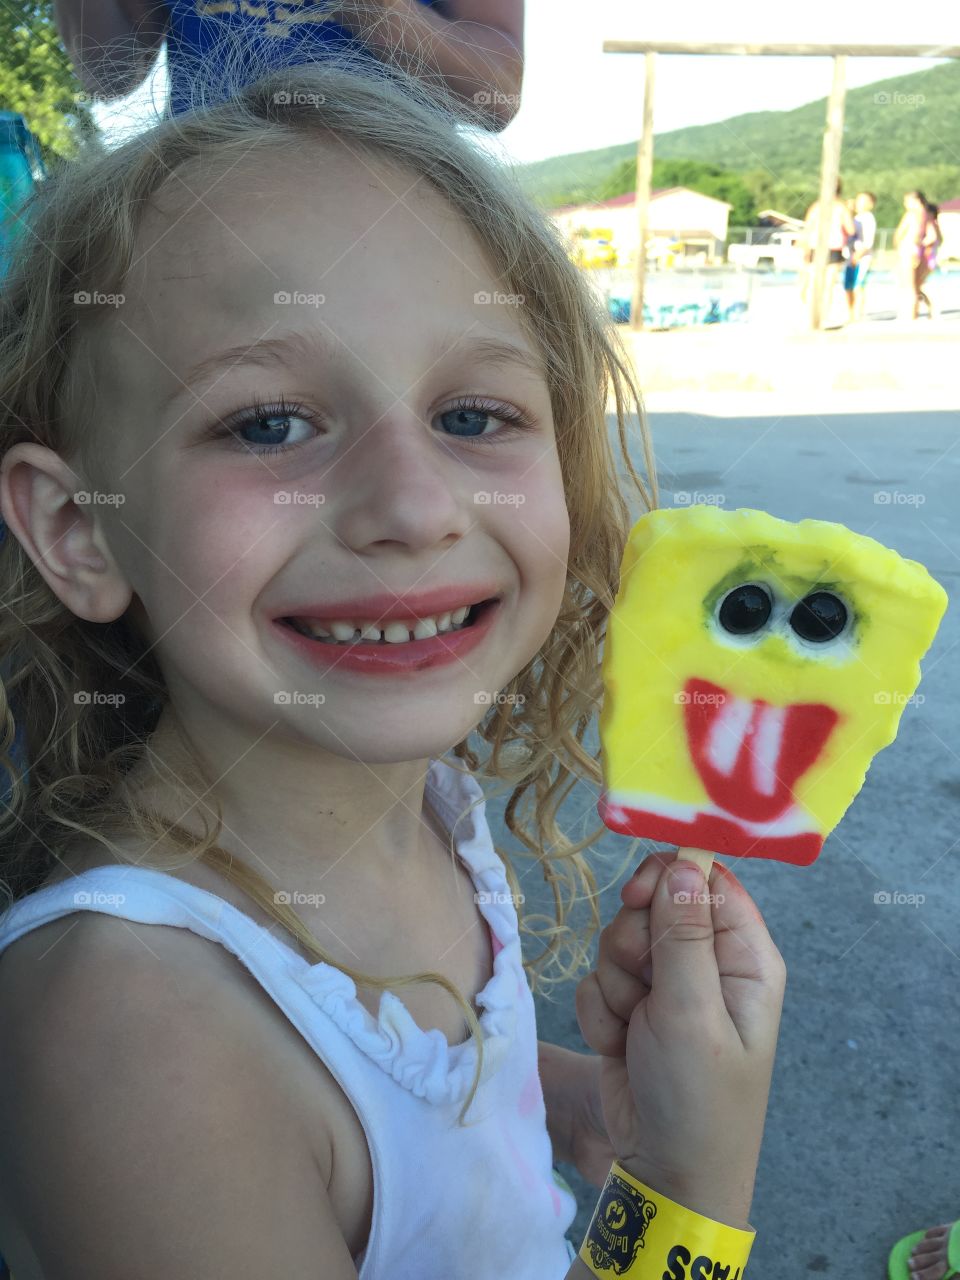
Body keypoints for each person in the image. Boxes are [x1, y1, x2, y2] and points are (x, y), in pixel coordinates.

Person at [0, 59, 787, 1278]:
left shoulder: (421, 807)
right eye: (269, 422)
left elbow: (414, 1107)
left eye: (472, 415)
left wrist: (579, 1100)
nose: (415, 507)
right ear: (81, 529)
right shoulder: (137, 1037)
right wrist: (687, 1190)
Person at [52, 0, 524, 126]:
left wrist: (376, 10)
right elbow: (107, 75)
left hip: (394, 210)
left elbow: (495, 97)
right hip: (205, 203)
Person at [800, 177, 856, 324]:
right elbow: (851, 229)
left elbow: (807, 229)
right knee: (828, 286)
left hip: (816, 247)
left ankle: (811, 317)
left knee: (814, 284)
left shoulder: (816, 207)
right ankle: (823, 318)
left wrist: (805, 249)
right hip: (834, 248)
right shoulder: (841, 207)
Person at [894, 190, 942, 321]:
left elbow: (901, 233)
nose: (905, 204)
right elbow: (933, 236)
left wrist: (898, 244)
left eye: (907, 201)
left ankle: (908, 315)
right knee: (915, 286)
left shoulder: (912, 214)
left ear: (916, 201)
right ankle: (915, 314)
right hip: (918, 252)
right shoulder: (927, 216)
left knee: (908, 286)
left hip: (908, 250)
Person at [843, 190, 877, 323]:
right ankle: (850, 313)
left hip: (862, 257)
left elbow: (868, 242)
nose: (858, 203)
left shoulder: (868, 218)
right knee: (848, 286)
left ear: (870, 204)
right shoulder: (855, 217)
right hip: (850, 256)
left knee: (858, 286)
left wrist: (857, 256)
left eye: (862, 200)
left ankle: (857, 314)